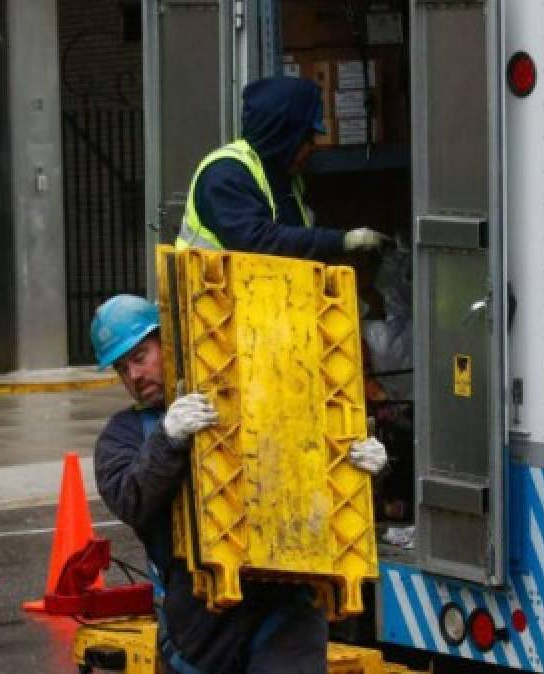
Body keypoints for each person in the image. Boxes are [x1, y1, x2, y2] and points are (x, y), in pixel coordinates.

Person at [90, 295, 387, 674]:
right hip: (202, 625)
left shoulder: (259, 397)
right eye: (121, 368)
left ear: (168, 341)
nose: (134, 376)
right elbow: (130, 498)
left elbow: (320, 485)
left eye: (139, 357)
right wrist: (168, 438)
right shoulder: (124, 435)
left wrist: (364, 472)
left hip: (284, 604)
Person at [176, 76, 388, 259]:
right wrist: (342, 241)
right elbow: (258, 241)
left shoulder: (283, 177)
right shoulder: (225, 174)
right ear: (284, 135)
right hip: (212, 300)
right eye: (308, 138)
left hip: (261, 297)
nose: (312, 148)